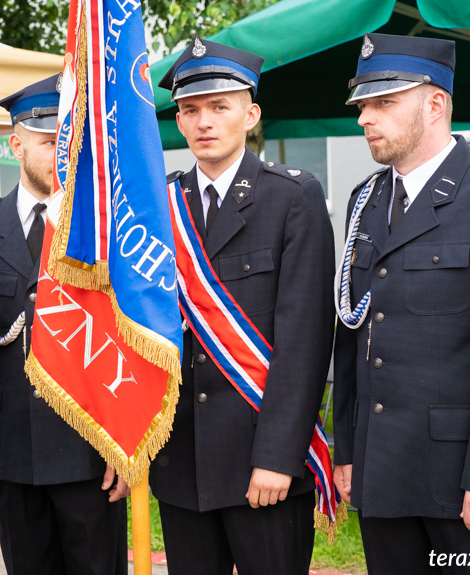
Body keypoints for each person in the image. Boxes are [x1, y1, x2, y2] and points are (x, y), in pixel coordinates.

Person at [332, 33, 470, 574]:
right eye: (363, 104)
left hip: (467, 483)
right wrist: (348, 449)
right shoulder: (364, 200)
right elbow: (353, 335)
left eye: (385, 102)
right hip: (383, 472)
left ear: (436, 103)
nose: (367, 117)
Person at [151, 38, 336, 574]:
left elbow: (304, 340)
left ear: (251, 114)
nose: (204, 121)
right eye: (190, 110)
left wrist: (277, 458)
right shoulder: (159, 206)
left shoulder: (293, 197)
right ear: (180, 122)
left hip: (263, 461)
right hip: (181, 461)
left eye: (219, 106)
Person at [0, 75, 129, 575]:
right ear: (16, 144)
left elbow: (129, 338)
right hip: (11, 447)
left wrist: (123, 443)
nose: (62, 153)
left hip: (89, 446)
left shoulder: (107, 223)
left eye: (70, 141)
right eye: (50, 141)